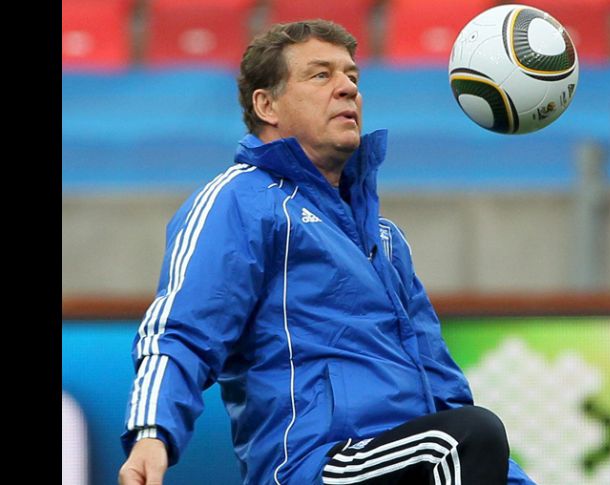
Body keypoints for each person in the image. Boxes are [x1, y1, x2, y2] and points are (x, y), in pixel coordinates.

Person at [118, 19, 537, 485]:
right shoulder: (239, 201)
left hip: (407, 456)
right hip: (315, 464)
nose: (346, 89)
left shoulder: (386, 240)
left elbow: (445, 391)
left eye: (352, 77)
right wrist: (151, 431)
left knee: (469, 439)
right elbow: (181, 329)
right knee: (462, 439)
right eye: (321, 75)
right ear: (267, 104)